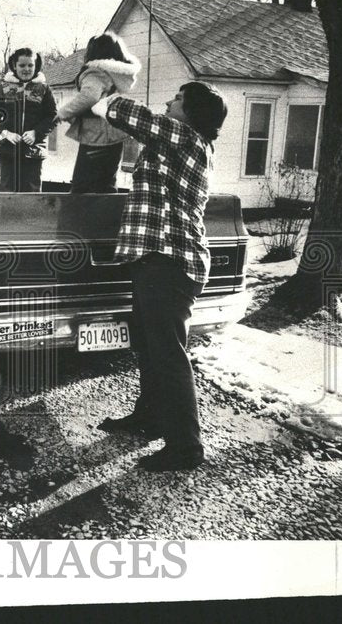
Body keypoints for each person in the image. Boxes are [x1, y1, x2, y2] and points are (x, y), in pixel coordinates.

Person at [94, 82, 228, 472]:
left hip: (170, 261)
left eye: (177, 99)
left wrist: (104, 90)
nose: (169, 102)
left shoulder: (186, 138)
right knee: (153, 349)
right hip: (155, 259)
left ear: (192, 112)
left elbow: (132, 116)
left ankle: (186, 449)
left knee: (168, 355)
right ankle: (150, 417)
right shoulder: (174, 143)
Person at [56, 31, 141, 193]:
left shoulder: (95, 72)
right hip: (115, 132)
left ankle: (79, 217)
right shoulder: (118, 75)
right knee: (106, 183)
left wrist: (63, 112)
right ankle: (107, 216)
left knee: (82, 185)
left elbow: (89, 96)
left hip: (95, 135)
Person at [0, 47, 57, 192]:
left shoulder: (43, 89)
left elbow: (52, 116)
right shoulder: (5, 88)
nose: (26, 69)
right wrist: (4, 133)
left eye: (30, 65)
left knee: (32, 194)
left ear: (36, 66)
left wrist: (36, 133)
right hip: (8, 151)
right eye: (22, 65)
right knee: (8, 192)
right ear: (14, 66)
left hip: (34, 152)